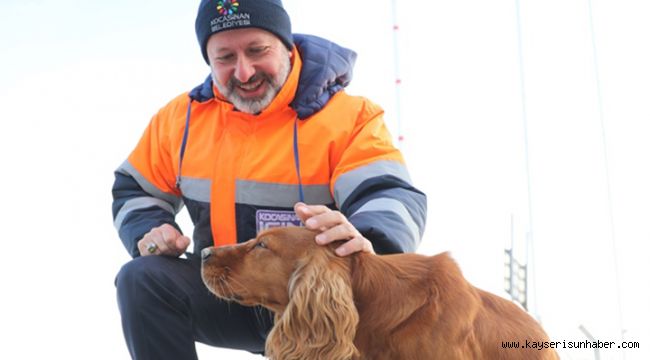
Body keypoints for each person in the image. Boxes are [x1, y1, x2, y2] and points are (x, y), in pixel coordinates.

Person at [112, 0, 427, 358]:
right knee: (141, 279)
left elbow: (388, 193)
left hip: (319, 302)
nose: (244, 72)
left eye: (257, 51)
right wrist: (150, 232)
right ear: (208, 60)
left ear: (287, 47)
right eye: (225, 58)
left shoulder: (350, 117)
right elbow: (134, 188)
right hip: (228, 288)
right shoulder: (179, 120)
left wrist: (369, 239)